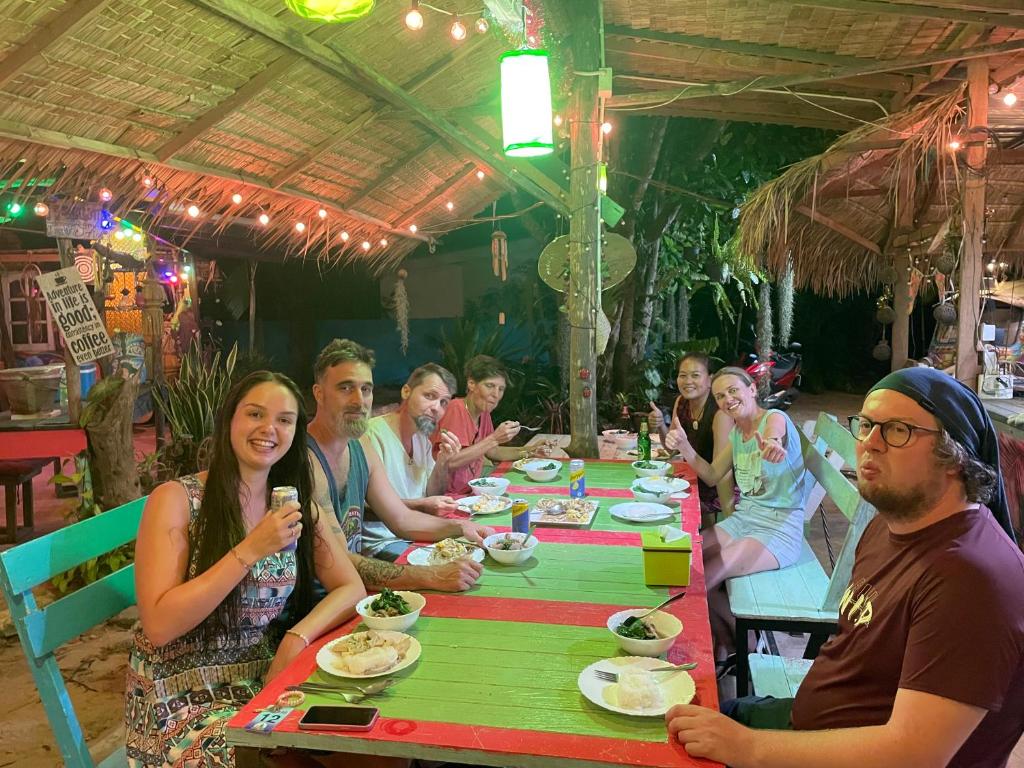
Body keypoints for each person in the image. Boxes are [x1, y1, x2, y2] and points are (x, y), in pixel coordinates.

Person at [666, 367, 1024, 768]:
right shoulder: (886, 528)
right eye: (866, 425)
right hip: (809, 725)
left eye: (898, 430)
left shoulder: (974, 580)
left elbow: (913, 754)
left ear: (955, 456)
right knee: (671, 721)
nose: (870, 443)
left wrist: (747, 747)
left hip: (842, 754)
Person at [125, 371, 367, 767]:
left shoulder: (293, 506)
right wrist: (251, 548)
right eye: (255, 414)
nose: (269, 428)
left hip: (264, 679)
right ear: (230, 420)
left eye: (284, 420)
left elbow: (350, 588)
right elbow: (159, 625)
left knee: (367, 739)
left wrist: (296, 639)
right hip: (179, 700)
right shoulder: (177, 500)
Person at [307, 339, 491, 591]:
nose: (359, 400)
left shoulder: (360, 446)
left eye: (366, 389)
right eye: (345, 388)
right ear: (319, 393)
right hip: (323, 599)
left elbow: (401, 519)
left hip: (353, 591)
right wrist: (431, 576)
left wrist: (461, 527)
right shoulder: (307, 459)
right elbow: (338, 563)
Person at [665, 366, 809, 667]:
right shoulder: (736, 435)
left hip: (777, 529)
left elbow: (774, 434)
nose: (728, 399)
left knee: (704, 578)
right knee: (685, 560)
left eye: (733, 391)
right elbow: (711, 474)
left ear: (752, 389)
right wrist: (684, 446)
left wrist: (773, 444)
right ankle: (733, 643)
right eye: (720, 396)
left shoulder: (774, 419)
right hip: (745, 519)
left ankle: (735, 647)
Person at [359, 362, 463, 558]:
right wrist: (421, 505)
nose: (436, 408)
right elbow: (363, 507)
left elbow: (432, 494)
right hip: (382, 543)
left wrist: (443, 462)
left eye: (444, 402)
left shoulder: (422, 439)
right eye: (429, 396)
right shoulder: (371, 435)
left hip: (416, 533)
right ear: (406, 391)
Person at [648, 352, 736, 524]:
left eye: (695, 375)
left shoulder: (720, 413)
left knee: (663, 512)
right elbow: (671, 448)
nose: (688, 381)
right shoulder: (681, 402)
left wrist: (730, 519)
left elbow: (718, 477)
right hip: (692, 478)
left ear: (710, 380)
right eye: (683, 375)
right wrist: (660, 424)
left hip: (716, 491)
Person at [434, 355, 524, 495]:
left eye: (501, 389)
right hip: (448, 495)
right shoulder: (455, 409)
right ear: (471, 384)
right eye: (490, 386)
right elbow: (449, 463)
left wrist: (530, 451)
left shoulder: (483, 413)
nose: (496, 394)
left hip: (473, 487)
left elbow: (492, 451)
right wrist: (494, 438)